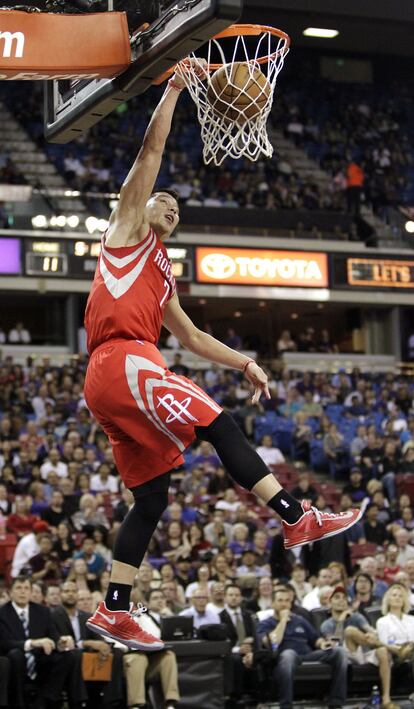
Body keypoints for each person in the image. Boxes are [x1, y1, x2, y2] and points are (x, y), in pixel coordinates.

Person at [83, 60, 361, 650]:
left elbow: (191, 338)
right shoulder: (126, 229)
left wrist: (244, 362)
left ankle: (114, 608)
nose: (171, 207)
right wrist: (177, 89)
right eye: (164, 201)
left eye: (177, 208)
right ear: (141, 207)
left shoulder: (162, 274)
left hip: (115, 377)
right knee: (218, 421)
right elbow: (149, 153)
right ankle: (294, 515)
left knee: (153, 497)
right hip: (123, 363)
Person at [257, 586, 348, 709]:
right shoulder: (266, 623)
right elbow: (273, 642)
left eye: (287, 601)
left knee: (339, 651)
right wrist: (283, 620)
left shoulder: (299, 620)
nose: (284, 604)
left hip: (308, 655)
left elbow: (315, 639)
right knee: (288, 654)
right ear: (273, 603)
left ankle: (336, 702)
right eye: (280, 600)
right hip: (286, 657)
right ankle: (286, 705)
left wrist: (322, 644)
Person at [0, 576, 76, 709]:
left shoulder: (43, 611)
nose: (23, 592)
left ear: (31, 592)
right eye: (18, 588)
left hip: (39, 659)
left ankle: (46, 699)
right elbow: (4, 643)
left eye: (26, 588)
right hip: (14, 660)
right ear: (11, 592)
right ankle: (19, 702)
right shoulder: (2, 613)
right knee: (16, 655)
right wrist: (32, 643)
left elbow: (53, 637)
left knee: (68, 655)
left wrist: (61, 642)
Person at [320, 586, 398, 709]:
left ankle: (386, 698)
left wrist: (372, 634)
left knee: (382, 651)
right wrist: (340, 621)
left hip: (363, 651)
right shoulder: (326, 624)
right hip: (344, 655)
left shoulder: (356, 616)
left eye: (344, 598)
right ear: (330, 602)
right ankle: (393, 649)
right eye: (337, 598)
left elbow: (370, 629)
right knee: (350, 631)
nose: (341, 600)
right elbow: (334, 645)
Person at [52, 580, 123, 709]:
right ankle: (80, 702)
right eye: (67, 591)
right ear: (60, 594)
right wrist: (85, 643)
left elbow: (99, 639)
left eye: (74, 591)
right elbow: (59, 642)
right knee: (76, 655)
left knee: (117, 653)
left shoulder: (87, 616)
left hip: (88, 656)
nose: (70, 594)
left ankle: (112, 701)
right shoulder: (53, 616)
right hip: (67, 656)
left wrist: (104, 647)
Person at [122, 588, 180, 709]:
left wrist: (168, 616)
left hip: (152, 659)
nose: (159, 601)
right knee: (139, 658)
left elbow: (163, 636)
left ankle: (170, 703)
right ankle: (137, 704)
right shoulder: (133, 615)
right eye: (155, 598)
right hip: (132, 656)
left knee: (168, 656)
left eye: (161, 597)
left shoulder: (157, 616)